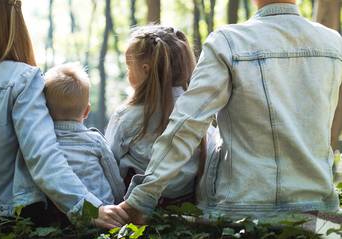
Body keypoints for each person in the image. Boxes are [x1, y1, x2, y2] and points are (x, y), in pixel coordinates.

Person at [115, 0, 342, 223]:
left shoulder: (229, 42)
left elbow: (188, 123)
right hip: (319, 210)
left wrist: (142, 198)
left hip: (243, 210)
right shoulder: (334, 43)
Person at [0, 0, 128, 229]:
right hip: (10, 220)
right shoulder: (22, 78)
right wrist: (89, 208)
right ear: (12, 21)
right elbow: (43, 157)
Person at [105, 25, 206, 203]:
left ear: (145, 69)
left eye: (129, 67)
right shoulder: (198, 111)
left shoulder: (127, 116)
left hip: (139, 208)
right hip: (189, 204)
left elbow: (109, 164)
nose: (128, 74)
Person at [44, 63, 126, 205]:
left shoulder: (42, 143)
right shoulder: (95, 141)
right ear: (87, 111)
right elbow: (114, 179)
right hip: (102, 210)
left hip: (61, 214)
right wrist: (119, 202)